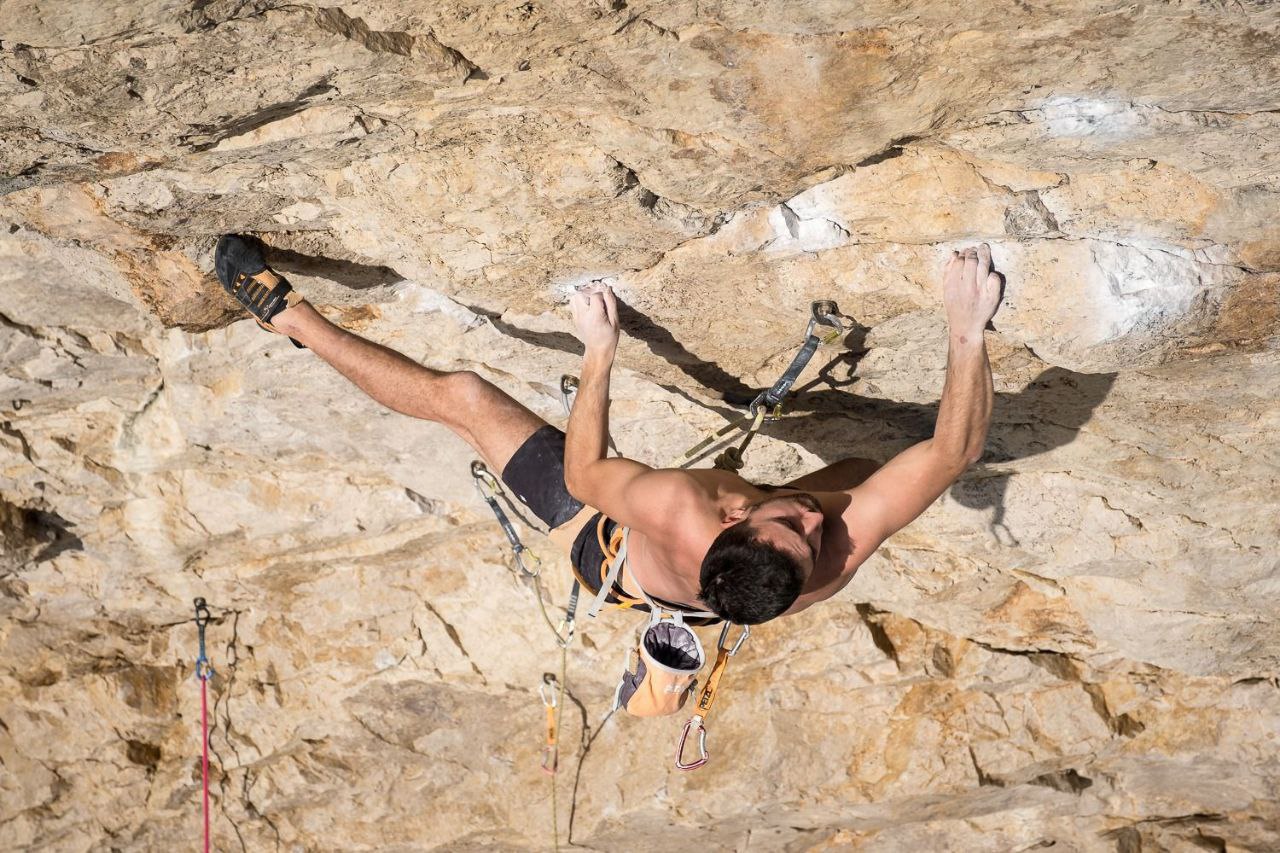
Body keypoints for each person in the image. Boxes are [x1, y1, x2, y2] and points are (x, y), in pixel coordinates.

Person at [214, 235, 1002, 625]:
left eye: (791, 523)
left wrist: (599, 352)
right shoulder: (823, 555)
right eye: (805, 527)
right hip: (667, 554)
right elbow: (955, 450)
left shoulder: (681, 509)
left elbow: (588, 479)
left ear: (735, 511)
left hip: (602, 545)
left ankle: (286, 314)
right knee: (865, 467)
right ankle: (293, 315)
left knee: (462, 396)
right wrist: (967, 330)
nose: (813, 516)